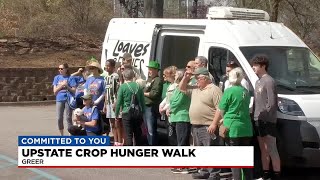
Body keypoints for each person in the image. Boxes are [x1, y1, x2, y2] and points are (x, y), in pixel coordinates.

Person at [209, 67, 253, 180]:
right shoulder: (245, 92)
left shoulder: (229, 91)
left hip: (232, 127)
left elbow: (221, 109)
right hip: (246, 127)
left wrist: (214, 123)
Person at [179, 67, 222, 180]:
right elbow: (181, 88)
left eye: (198, 78)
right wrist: (185, 77)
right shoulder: (196, 88)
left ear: (205, 78)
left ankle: (214, 174)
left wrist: (214, 124)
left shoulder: (214, 89)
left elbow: (220, 108)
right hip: (196, 125)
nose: (196, 80)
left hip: (208, 125)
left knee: (210, 150)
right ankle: (204, 170)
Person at [251, 55, 281, 180]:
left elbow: (272, 103)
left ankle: (276, 175)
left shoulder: (269, 81)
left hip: (267, 120)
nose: (253, 67)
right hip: (258, 119)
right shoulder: (258, 81)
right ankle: (265, 175)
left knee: (272, 148)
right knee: (263, 148)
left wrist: (265, 115)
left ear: (263, 66)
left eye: (256, 65)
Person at [168, 69, 196, 174]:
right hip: (177, 117)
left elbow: (176, 101)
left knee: (182, 142)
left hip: (182, 117)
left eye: (175, 75)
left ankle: (182, 166)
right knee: (181, 141)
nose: (174, 76)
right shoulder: (178, 86)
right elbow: (173, 100)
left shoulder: (183, 87)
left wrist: (170, 108)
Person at [115, 69, 145, 146]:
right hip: (138, 113)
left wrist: (116, 114)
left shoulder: (123, 87)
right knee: (138, 133)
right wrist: (143, 112)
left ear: (124, 77)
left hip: (126, 112)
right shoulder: (138, 86)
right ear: (133, 76)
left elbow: (119, 102)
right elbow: (142, 101)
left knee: (128, 135)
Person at [52, 63, 77, 136]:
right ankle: (61, 135)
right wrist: (62, 85)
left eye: (62, 69)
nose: (60, 70)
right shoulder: (57, 78)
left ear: (66, 69)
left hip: (68, 99)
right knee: (59, 118)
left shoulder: (70, 78)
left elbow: (74, 90)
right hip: (59, 99)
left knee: (68, 117)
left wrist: (67, 86)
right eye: (59, 68)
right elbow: (55, 91)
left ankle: (70, 134)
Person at [84, 61, 108, 134]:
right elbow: (85, 89)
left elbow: (104, 92)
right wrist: (86, 99)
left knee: (100, 121)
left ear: (97, 69)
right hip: (89, 103)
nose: (92, 70)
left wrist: (97, 101)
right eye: (90, 68)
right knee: (90, 119)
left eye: (93, 68)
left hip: (98, 103)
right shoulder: (89, 79)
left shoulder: (103, 79)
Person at [103, 59, 123, 146]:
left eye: (108, 66)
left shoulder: (115, 77)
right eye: (106, 65)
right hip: (108, 103)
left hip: (115, 103)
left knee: (117, 122)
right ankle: (115, 140)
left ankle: (119, 141)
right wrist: (105, 104)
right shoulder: (106, 77)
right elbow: (106, 92)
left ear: (113, 67)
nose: (106, 67)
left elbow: (118, 91)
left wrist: (116, 103)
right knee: (112, 123)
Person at [144, 60, 163, 146]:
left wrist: (143, 93)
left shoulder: (157, 80)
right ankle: (149, 144)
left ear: (156, 70)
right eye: (149, 69)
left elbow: (154, 94)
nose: (149, 71)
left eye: (151, 69)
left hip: (151, 107)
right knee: (147, 129)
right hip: (145, 106)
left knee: (151, 129)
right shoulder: (149, 79)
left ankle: (153, 145)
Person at [159, 66, 178, 146]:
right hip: (167, 114)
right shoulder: (170, 85)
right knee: (170, 136)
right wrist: (161, 105)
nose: (163, 76)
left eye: (165, 75)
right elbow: (167, 98)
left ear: (171, 75)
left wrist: (165, 108)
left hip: (172, 114)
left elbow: (173, 100)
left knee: (172, 136)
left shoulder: (176, 86)